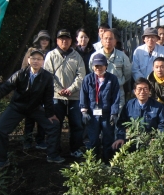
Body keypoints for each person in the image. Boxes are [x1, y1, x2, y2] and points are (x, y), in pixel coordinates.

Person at [0, 48, 63, 169]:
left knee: (54, 124)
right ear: (29, 60)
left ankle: (52, 155)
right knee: (0, 129)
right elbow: (4, 89)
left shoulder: (47, 77)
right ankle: (2, 160)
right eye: (33, 58)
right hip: (17, 107)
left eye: (39, 59)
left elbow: (48, 98)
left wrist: (50, 114)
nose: (36, 61)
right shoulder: (20, 74)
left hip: (35, 108)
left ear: (43, 62)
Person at [44, 29, 87, 158]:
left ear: (71, 41)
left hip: (74, 97)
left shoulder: (77, 56)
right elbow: (48, 75)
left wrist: (71, 89)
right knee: (56, 125)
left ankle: (75, 149)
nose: (64, 41)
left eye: (67, 39)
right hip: (57, 97)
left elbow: (81, 75)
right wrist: (58, 90)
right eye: (61, 38)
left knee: (77, 124)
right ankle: (54, 151)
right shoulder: (51, 55)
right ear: (57, 40)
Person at [80, 54, 120, 162]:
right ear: (92, 66)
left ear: (106, 66)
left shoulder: (113, 79)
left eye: (101, 65)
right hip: (92, 115)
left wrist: (114, 113)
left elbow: (116, 97)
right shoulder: (88, 79)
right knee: (93, 140)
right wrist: (84, 112)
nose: (98, 68)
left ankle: (107, 161)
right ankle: (93, 162)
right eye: (96, 66)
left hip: (107, 114)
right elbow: (83, 96)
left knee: (108, 139)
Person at [20, 29, 52, 150]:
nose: (44, 41)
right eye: (42, 39)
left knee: (42, 116)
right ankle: (27, 141)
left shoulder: (50, 52)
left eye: (47, 39)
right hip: (31, 88)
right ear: (38, 40)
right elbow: (23, 67)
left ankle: (40, 140)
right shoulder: (31, 51)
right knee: (29, 117)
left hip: (44, 87)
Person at [89, 29, 132, 113]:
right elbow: (92, 70)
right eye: (106, 38)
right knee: (101, 117)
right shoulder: (95, 56)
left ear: (115, 41)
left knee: (117, 116)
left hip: (117, 90)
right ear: (101, 41)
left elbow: (128, 73)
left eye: (111, 38)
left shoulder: (122, 56)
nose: (108, 40)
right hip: (100, 90)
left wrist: (118, 82)